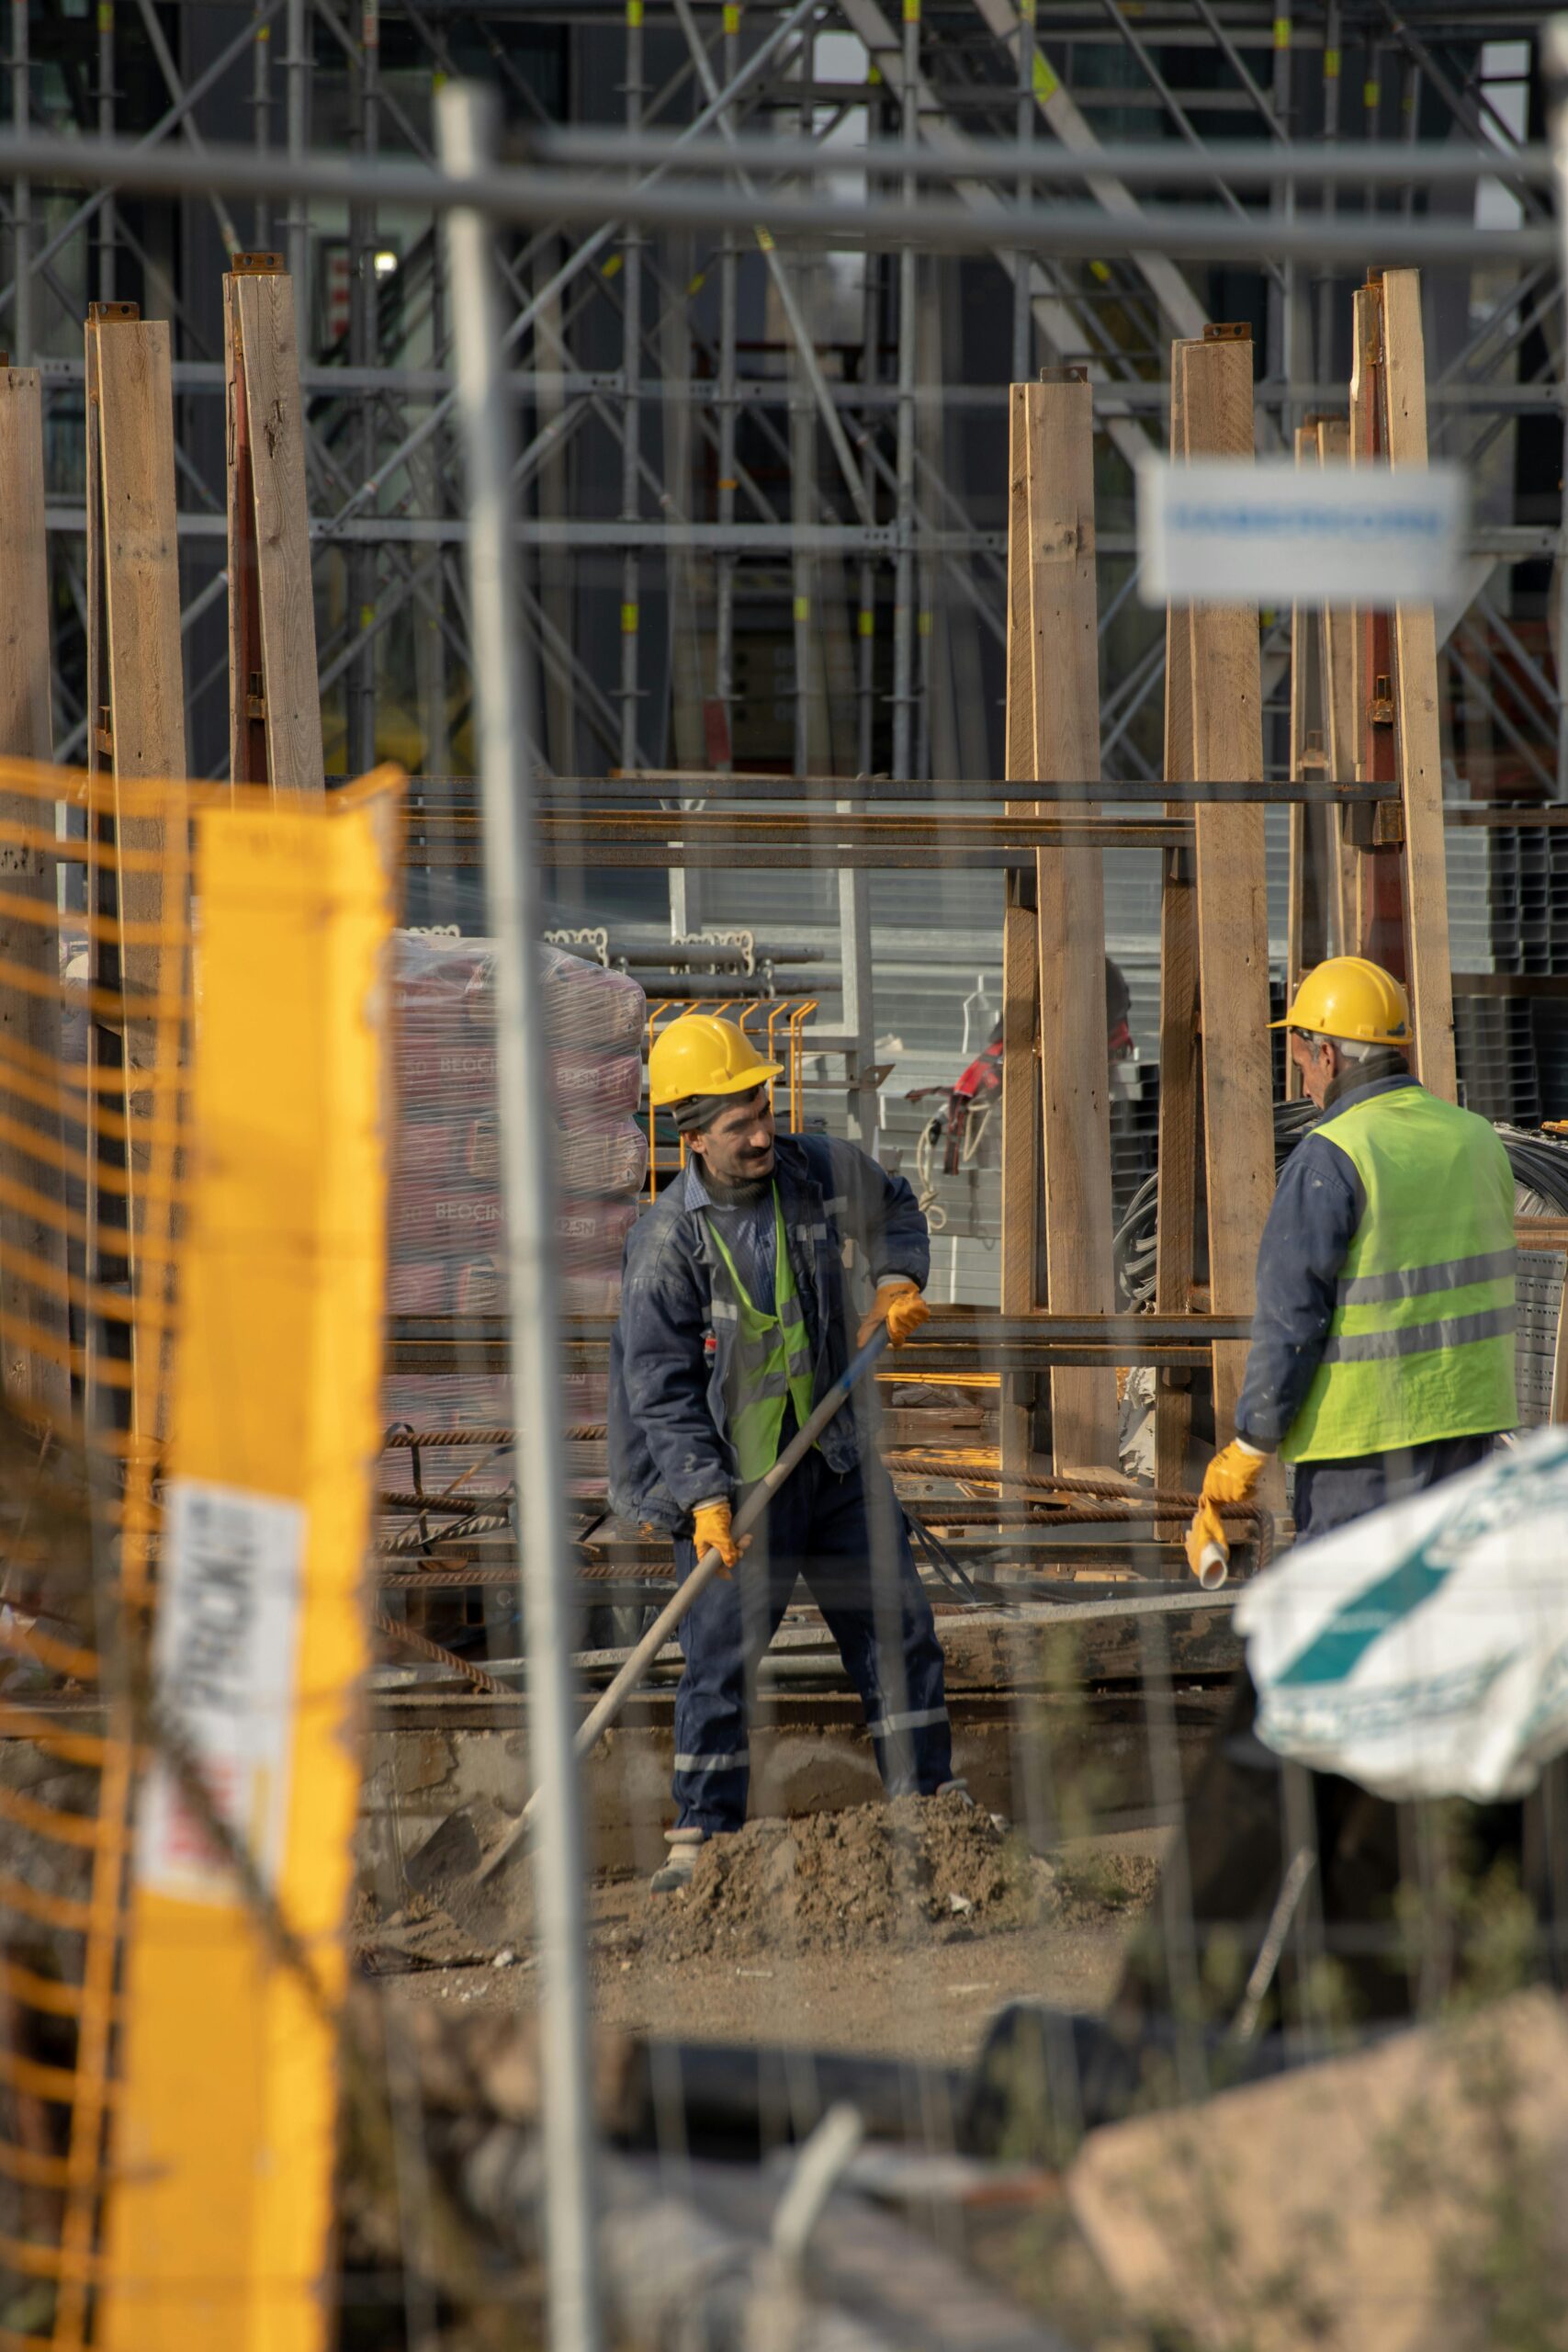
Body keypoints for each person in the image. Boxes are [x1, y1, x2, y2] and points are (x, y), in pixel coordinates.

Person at [610, 1012, 959, 1890]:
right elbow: (658, 1385)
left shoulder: (807, 1172)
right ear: (692, 1137)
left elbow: (896, 1206)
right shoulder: (666, 1243)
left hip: (831, 1457)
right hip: (733, 1481)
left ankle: (931, 1813)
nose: (763, 1133)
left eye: (763, 1108)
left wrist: (894, 1281)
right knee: (720, 1659)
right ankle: (703, 1845)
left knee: (897, 1632)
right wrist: (702, 1497)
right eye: (740, 1124)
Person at [1185, 956, 1517, 1571]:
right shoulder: (1476, 1140)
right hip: (1466, 1436)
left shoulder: (1329, 1156)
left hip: (1362, 1451)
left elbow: (1290, 1319)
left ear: (1327, 1056)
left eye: (1300, 1062)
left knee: (1341, 1628)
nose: (1304, 1084)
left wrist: (1251, 1442)